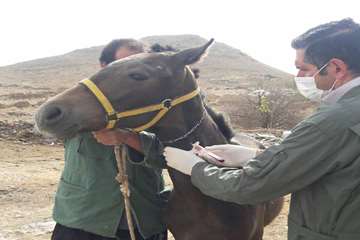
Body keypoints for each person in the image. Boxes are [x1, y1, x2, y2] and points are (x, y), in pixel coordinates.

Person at [163, 18, 360, 240]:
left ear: (337, 68)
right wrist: (257, 155)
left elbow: (250, 187)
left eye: (304, 69)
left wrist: (195, 168)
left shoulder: (332, 122)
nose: (298, 77)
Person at [51, 39, 168, 240]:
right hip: (82, 219)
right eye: (122, 63)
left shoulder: (161, 104)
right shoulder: (78, 102)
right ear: (104, 67)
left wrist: (127, 137)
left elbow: (169, 155)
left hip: (142, 219)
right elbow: (52, 125)